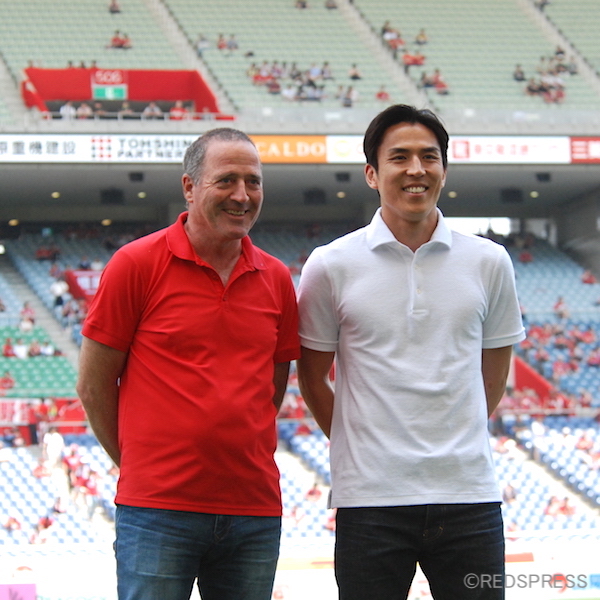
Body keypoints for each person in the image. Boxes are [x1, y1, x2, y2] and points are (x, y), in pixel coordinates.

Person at [297, 104, 525, 600]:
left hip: (468, 496)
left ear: (445, 169)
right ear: (372, 174)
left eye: (429, 156)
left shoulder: (489, 262)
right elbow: (312, 378)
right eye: (399, 157)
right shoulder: (330, 265)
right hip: (370, 502)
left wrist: (451, 436)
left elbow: (493, 377)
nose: (416, 169)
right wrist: (364, 445)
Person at [76, 127, 300, 600]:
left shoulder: (278, 278)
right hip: (158, 512)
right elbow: (93, 386)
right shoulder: (135, 264)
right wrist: (141, 467)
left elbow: (271, 389)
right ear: (189, 187)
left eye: (253, 182)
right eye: (226, 180)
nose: (242, 195)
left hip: (254, 510)